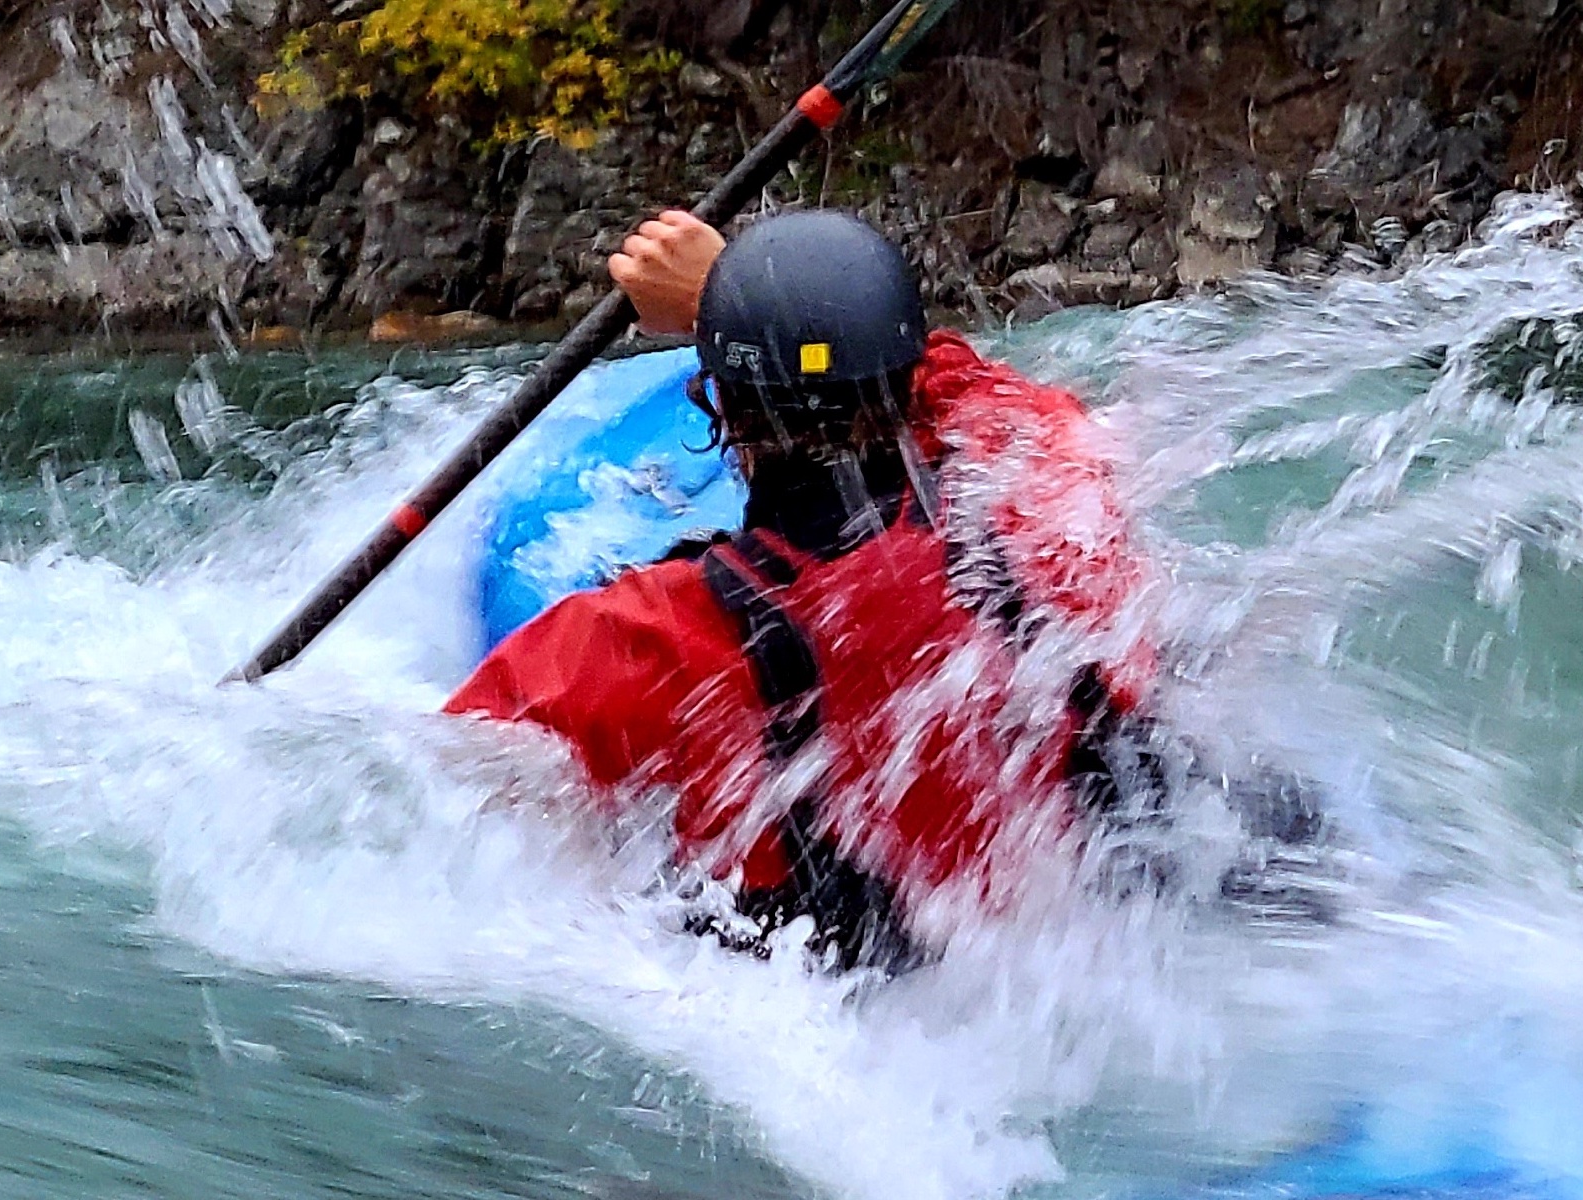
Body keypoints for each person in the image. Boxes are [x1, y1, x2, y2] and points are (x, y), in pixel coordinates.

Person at [446, 207, 1158, 971]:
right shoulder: (1039, 497)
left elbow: (422, 786)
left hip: (832, 1007)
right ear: (904, 374)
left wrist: (744, 310)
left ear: (716, 404)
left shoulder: (642, 637)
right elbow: (982, 394)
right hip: (1119, 928)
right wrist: (733, 301)